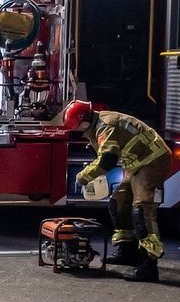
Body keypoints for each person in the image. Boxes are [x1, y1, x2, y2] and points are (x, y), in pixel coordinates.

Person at [62, 100, 171, 282]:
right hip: (137, 163)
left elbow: (107, 160)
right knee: (119, 201)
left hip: (153, 161)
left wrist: (83, 176)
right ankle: (127, 251)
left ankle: (149, 266)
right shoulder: (97, 123)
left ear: (84, 120)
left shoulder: (106, 126)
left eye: (78, 127)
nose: (79, 131)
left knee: (141, 210)